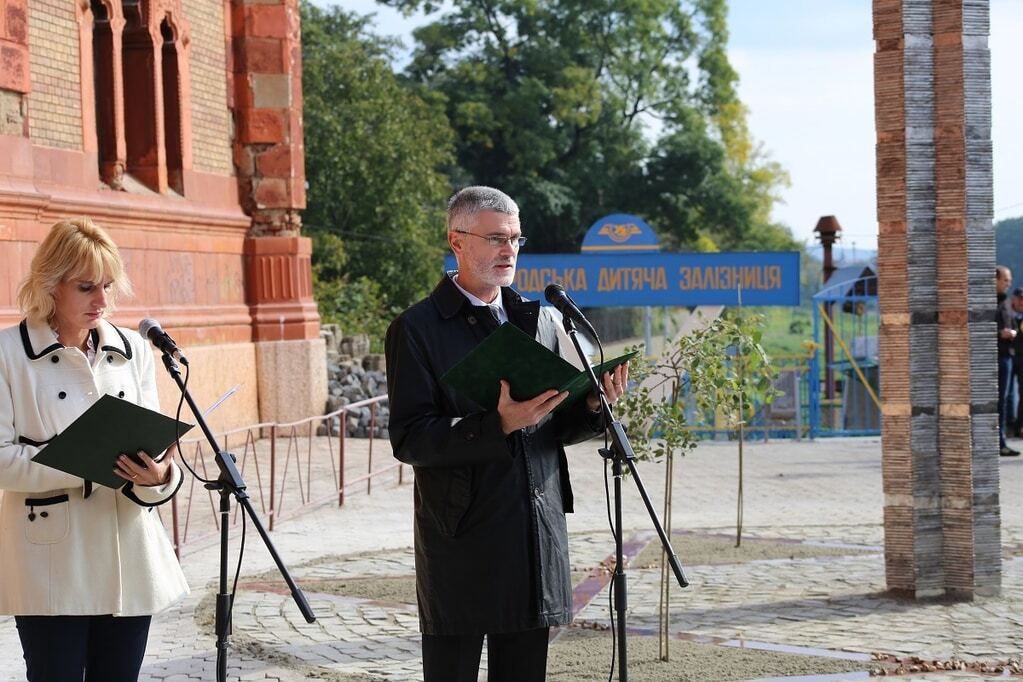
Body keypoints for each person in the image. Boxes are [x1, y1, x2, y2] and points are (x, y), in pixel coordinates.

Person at [386, 186, 627, 681]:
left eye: (516, 239)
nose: (508, 251)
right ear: (457, 241)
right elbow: (410, 438)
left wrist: (591, 405)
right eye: (496, 238)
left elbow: (551, 425)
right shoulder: (417, 328)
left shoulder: (536, 319)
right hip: (464, 538)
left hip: (533, 534)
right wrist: (496, 425)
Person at [0, 218, 189, 681]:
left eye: (107, 286)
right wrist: (86, 464)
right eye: (86, 287)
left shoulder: (134, 351)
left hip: (128, 555)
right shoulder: (8, 354)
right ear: (51, 285)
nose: (102, 301)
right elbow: (2, 460)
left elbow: (159, 456)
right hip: (50, 562)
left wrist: (160, 478)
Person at [996, 265, 1018, 456]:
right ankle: (998, 441)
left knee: (1005, 399)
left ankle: (1002, 439)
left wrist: (1012, 332)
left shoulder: (1006, 303)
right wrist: (999, 333)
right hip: (995, 357)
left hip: (1008, 356)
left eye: (1009, 280)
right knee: (998, 401)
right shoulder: (990, 303)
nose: (1008, 284)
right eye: (1005, 280)